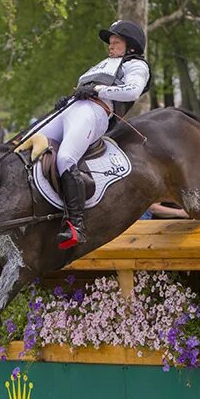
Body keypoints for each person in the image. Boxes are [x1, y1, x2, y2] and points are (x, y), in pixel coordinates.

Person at [43, 20, 151, 249]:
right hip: (71, 109)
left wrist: (98, 90)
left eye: (116, 42)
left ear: (130, 46)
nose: (111, 47)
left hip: (94, 111)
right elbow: (84, 88)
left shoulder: (136, 65)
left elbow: (132, 90)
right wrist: (69, 98)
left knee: (65, 158)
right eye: (110, 43)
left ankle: (76, 225)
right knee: (30, 146)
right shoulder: (102, 64)